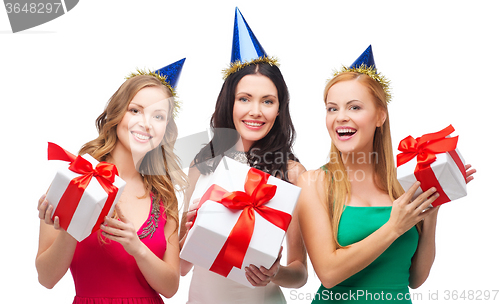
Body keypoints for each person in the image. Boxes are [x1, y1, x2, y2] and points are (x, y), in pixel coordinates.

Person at [297, 46, 476, 303]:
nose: (340, 118)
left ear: (380, 116)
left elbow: (415, 278)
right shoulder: (314, 183)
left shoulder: (403, 184)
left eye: (354, 107)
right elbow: (328, 273)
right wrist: (394, 226)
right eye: (332, 109)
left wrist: (433, 208)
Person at [178, 8, 307, 304]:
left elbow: (300, 273)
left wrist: (275, 273)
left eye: (268, 101)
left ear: (279, 109)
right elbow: (183, 268)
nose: (255, 111)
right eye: (244, 99)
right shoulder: (201, 166)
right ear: (230, 103)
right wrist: (182, 239)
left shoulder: (294, 172)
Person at [36, 58, 188, 304]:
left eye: (158, 116)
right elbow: (46, 278)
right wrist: (71, 228)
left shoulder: (164, 196)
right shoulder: (77, 179)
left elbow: (170, 287)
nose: (146, 123)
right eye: (135, 110)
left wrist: (137, 248)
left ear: (165, 129)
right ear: (117, 114)